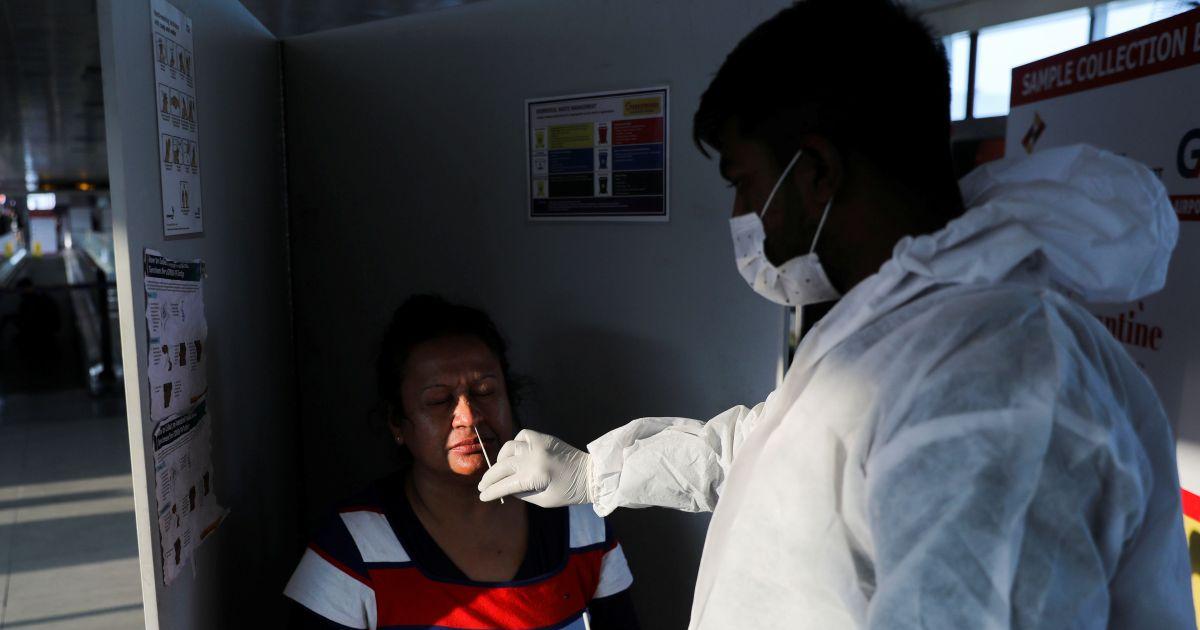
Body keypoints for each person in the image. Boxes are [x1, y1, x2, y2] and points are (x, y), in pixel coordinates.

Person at [477, 1, 1195, 628]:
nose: (741, 215)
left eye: (744, 183)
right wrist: (596, 473)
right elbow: (768, 451)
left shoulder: (996, 379)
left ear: (817, 172)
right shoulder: (900, 332)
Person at [285, 295, 639, 629]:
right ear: (397, 423)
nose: (469, 417)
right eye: (439, 401)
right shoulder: (352, 547)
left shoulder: (580, 522)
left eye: (485, 391)